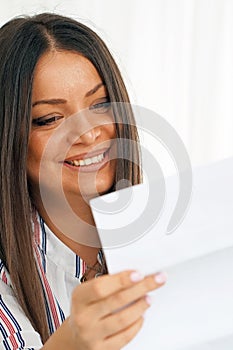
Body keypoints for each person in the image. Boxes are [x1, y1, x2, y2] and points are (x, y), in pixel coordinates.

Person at [0, 13, 167, 349]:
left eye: (101, 103)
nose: (90, 133)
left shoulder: (166, 232)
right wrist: (72, 343)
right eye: (49, 119)